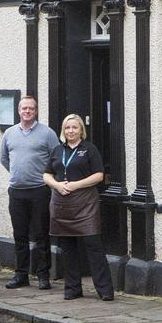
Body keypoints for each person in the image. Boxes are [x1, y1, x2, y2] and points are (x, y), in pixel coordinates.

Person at [45, 113, 114, 301]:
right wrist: (57, 185)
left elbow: (99, 175)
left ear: (81, 130)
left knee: (93, 246)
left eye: (74, 127)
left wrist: (75, 185)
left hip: (85, 203)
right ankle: (72, 288)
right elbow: (47, 174)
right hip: (62, 204)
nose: (71, 131)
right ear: (63, 131)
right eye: (67, 128)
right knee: (68, 248)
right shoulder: (58, 150)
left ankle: (105, 290)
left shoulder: (89, 149)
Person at [0, 95, 60, 290]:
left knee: (41, 234)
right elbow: (4, 159)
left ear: (36, 111)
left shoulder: (47, 133)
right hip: (16, 192)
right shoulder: (9, 133)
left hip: (39, 191)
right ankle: (21, 275)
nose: (27, 111)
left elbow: (57, 158)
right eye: (24, 108)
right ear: (18, 110)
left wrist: (43, 177)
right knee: (20, 235)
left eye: (31, 109)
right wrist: (19, 175)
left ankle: (43, 275)